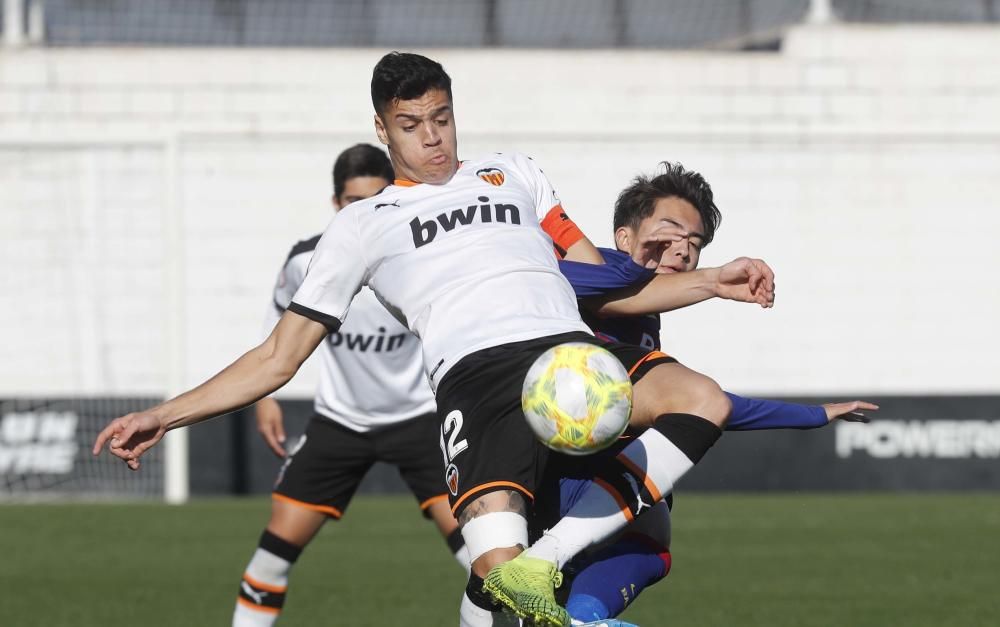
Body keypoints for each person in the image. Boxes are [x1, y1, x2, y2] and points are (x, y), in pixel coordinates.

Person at [92, 52, 774, 627]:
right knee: (493, 577)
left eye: (442, 118)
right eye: (411, 125)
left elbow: (600, 281)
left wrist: (710, 277)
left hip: (570, 355)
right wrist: (163, 413)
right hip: (476, 381)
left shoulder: (514, 172)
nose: (433, 138)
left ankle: (552, 554)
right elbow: (278, 355)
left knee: (702, 398)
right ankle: (524, 576)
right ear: (383, 128)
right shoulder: (363, 225)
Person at [545, 162, 877, 624]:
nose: (682, 248)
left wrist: (816, 413)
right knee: (651, 527)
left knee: (648, 532)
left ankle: (583, 617)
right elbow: (549, 276)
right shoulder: (593, 271)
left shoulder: (645, 315)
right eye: (670, 230)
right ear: (625, 236)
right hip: (541, 470)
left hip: (579, 474)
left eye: (695, 243)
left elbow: (699, 404)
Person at [233, 143, 469, 627]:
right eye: (352, 203)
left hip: (421, 420)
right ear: (337, 205)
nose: (364, 212)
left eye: (375, 198)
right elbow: (278, 314)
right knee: (270, 557)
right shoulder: (306, 261)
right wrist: (265, 397)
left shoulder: (423, 253)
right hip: (341, 422)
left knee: (488, 559)